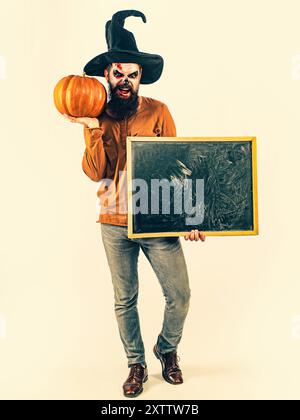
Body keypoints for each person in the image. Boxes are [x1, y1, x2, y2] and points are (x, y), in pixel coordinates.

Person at [63, 10, 206, 398]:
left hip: (155, 220)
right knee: (125, 299)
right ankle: (136, 363)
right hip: (112, 221)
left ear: (140, 77)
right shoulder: (95, 112)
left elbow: (179, 168)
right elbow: (96, 173)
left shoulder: (159, 112)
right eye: (117, 74)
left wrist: (190, 216)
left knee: (180, 295)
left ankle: (167, 349)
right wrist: (93, 130)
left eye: (132, 75)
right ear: (106, 75)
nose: (124, 81)